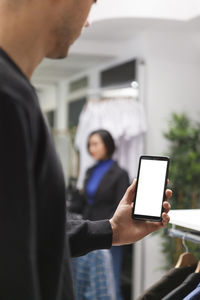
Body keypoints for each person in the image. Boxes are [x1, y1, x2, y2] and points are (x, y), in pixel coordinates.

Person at [0, 1, 172, 300]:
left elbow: (35, 233)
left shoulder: (18, 95)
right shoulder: (7, 100)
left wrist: (111, 229)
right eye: (91, 2)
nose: (89, 20)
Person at [71, 129, 130, 300]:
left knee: (111, 284)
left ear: (108, 145)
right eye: (89, 145)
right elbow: (84, 200)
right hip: (89, 231)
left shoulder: (120, 173)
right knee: (90, 284)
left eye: (95, 144)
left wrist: (110, 227)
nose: (91, 148)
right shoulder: (90, 171)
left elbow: (122, 207)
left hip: (111, 233)